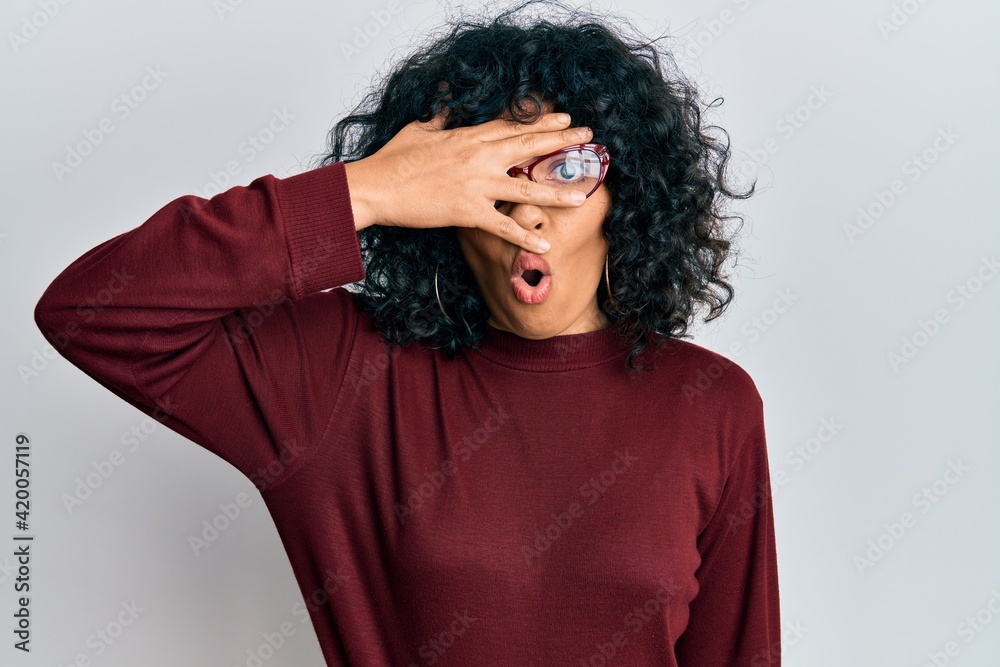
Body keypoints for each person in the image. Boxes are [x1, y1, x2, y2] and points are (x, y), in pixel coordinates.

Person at [34, 1, 780, 664]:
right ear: (442, 203)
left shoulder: (712, 405)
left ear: (629, 195)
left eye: (567, 169)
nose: (527, 211)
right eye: (494, 174)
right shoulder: (342, 379)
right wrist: (368, 190)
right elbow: (91, 311)